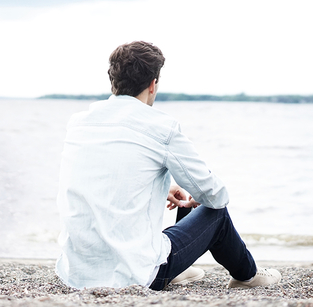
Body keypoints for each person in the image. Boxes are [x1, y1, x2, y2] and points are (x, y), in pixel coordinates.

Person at [55, 41, 281, 290]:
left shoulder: (79, 123)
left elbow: (103, 180)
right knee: (216, 214)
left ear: (113, 81)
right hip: (136, 275)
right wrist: (199, 195)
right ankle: (247, 276)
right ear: (153, 84)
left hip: (76, 272)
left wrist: (162, 187)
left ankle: (178, 267)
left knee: (188, 199)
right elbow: (216, 195)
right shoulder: (161, 127)